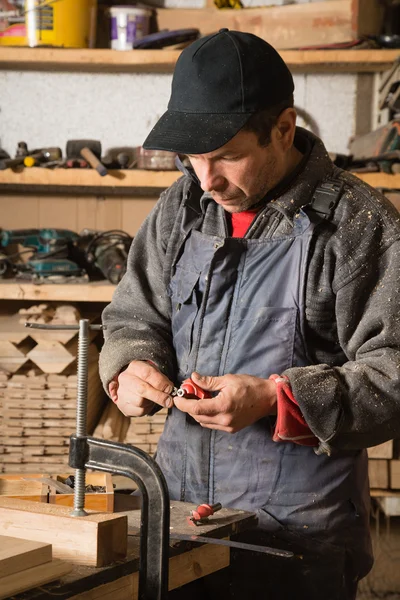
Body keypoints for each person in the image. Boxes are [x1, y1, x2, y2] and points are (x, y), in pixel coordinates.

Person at [99, 29, 400, 600]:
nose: (206, 181)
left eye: (227, 157)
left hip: (299, 538)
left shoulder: (357, 223)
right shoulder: (183, 206)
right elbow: (134, 315)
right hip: (183, 514)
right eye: (191, 158)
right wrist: (131, 363)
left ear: (282, 129)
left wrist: (274, 398)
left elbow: (395, 367)